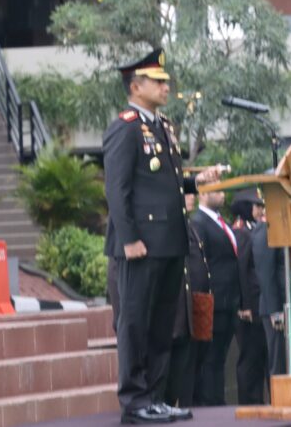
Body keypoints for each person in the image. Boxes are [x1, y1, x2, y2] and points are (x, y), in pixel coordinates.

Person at [103, 48, 219, 424]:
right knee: (135, 322)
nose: (166, 86)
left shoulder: (162, 125)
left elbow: (165, 181)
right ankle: (135, 400)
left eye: (166, 81)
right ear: (135, 87)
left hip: (169, 240)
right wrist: (128, 239)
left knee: (161, 324)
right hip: (140, 244)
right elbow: (117, 188)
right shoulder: (125, 127)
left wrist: (196, 181)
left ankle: (154, 396)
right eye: (157, 81)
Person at [159, 193, 212, 407]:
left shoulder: (189, 225)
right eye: (186, 193)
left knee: (190, 367)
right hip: (176, 307)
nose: (191, 198)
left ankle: (186, 406)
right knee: (176, 369)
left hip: (193, 306)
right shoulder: (170, 226)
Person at [192, 188, 241, 405]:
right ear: (202, 194)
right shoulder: (199, 222)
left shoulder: (221, 222)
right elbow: (201, 262)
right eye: (216, 190)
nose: (222, 194)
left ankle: (217, 402)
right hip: (214, 301)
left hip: (229, 301)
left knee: (220, 358)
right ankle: (210, 404)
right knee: (210, 360)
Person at [231, 189, 268, 404]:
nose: (261, 210)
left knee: (259, 355)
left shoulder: (252, 229)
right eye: (257, 206)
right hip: (249, 306)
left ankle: (258, 401)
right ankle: (249, 402)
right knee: (250, 358)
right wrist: (244, 304)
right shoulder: (241, 232)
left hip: (257, 302)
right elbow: (241, 269)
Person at [252, 201, 286, 376]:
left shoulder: (280, 227)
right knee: (279, 362)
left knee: (289, 361)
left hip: (286, 304)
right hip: (275, 307)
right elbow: (266, 274)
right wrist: (275, 311)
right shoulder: (266, 230)